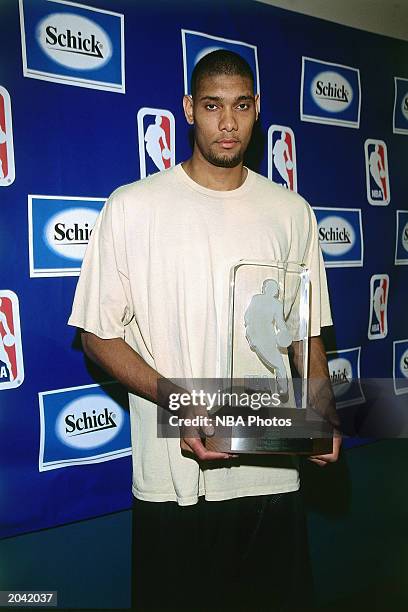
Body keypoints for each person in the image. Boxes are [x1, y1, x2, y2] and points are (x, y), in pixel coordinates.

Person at [68, 50, 341, 611]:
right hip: (176, 479)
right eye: (213, 106)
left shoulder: (292, 212)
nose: (227, 122)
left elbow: (304, 333)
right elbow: (97, 334)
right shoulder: (133, 208)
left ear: (256, 109)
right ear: (190, 109)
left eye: (241, 106)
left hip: (273, 476)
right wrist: (180, 402)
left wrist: (322, 415)